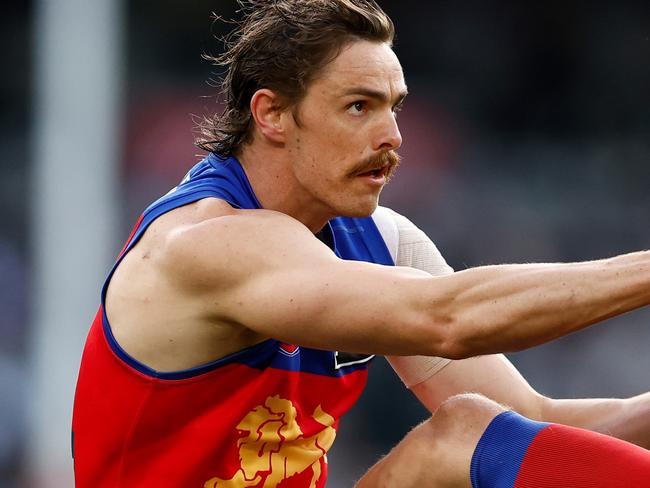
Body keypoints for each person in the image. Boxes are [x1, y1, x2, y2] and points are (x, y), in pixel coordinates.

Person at [72, 1, 650, 486]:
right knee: (461, 432)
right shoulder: (207, 243)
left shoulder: (379, 238)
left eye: (393, 107)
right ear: (271, 113)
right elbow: (450, 319)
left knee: (467, 431)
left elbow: (535, 423)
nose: (393, 136)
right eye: (359, 106)